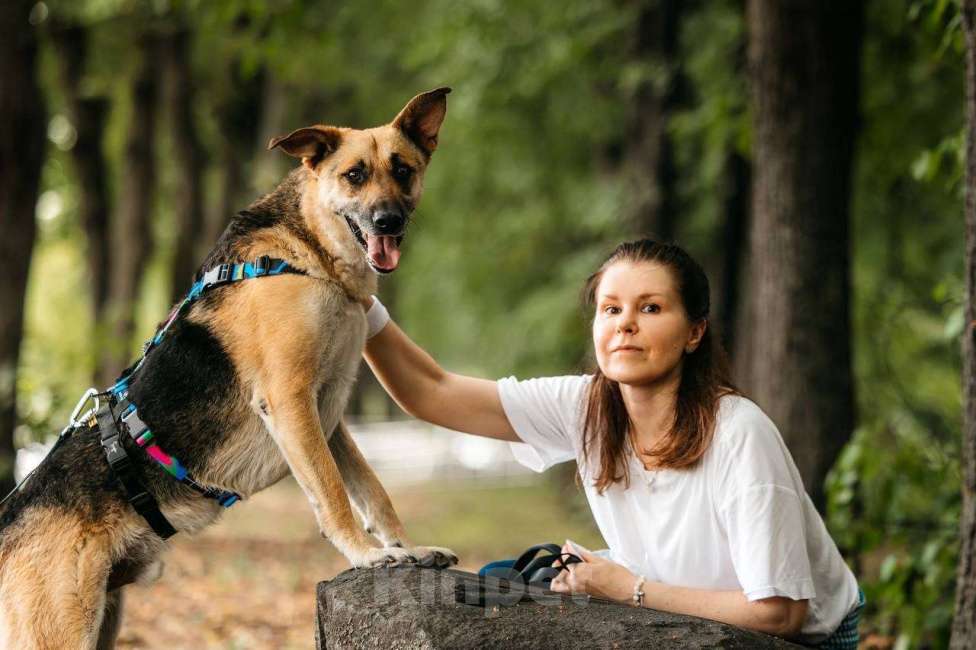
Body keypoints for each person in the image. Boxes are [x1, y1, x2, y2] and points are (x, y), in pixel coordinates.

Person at [361, 239, 863, 647]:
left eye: (650, 308)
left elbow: (781, 613)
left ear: (694, 332)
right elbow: (432, 391)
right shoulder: (586, 406)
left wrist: (628, 590)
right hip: (680, 615)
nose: (625, 323)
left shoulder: (739, 434)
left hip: (798, 640)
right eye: (611, 308)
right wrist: (356, 295)